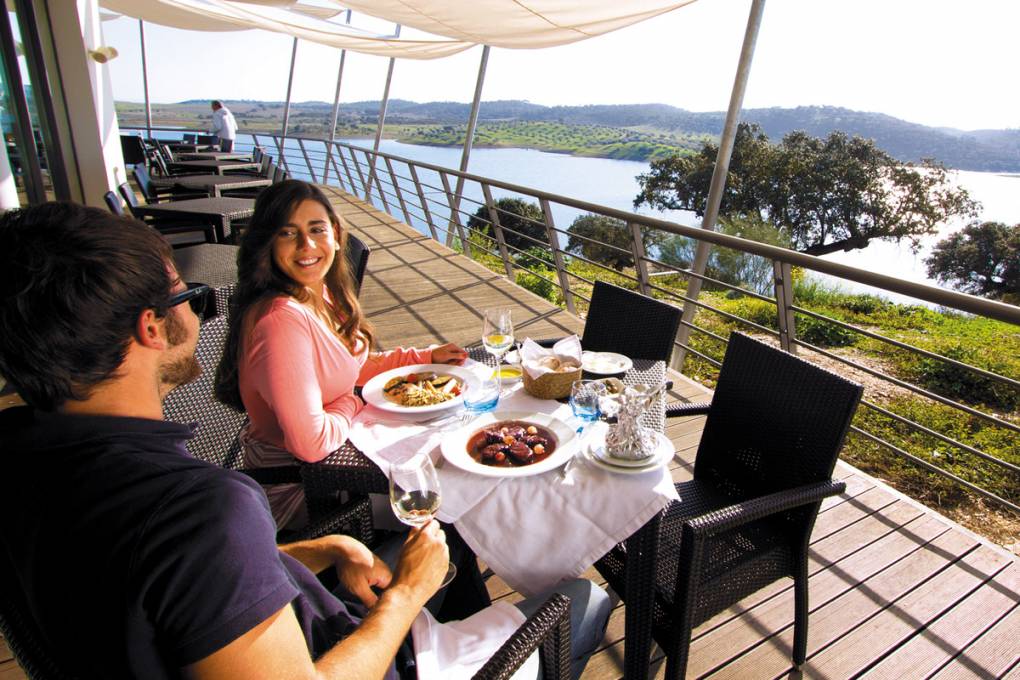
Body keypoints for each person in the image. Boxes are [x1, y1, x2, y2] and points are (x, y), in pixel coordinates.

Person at [0, 203, 611, 679]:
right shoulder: (199, 510)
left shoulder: (29, 469)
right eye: (193, 298)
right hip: (378, 659)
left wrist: (310, 549)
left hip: (294, 618)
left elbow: (170, 596)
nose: (205, 314)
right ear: (152, 327)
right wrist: (407, 597)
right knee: (582, 598)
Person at [215, 179, 468, 529]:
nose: (307, 245)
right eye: (288, 233)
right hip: (306, 491)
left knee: (451, 474)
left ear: (334, 233)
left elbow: (350, 365)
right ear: (268, 242)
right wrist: (352, 401)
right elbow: (312, 444)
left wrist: (423, 356)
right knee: (453, 506)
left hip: (340, 463)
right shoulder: (280, 322)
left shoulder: (315, 294)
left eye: (316, 229)